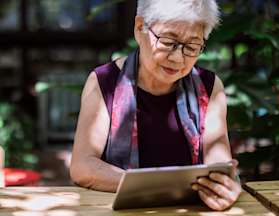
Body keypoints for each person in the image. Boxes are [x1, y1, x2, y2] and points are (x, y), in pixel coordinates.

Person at [70, 0, 241, 211]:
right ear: (139, 27)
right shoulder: (105, 83)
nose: (178, 57)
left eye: (192, 46)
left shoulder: (209, 88)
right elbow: (83, 166)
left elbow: (218, 167)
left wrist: (223, 188)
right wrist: (156, 187)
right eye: (169, 41)